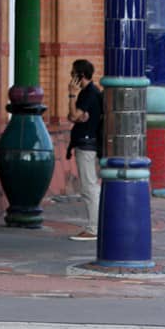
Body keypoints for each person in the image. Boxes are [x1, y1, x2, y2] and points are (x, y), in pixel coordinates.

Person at [65, 57, 103, 240]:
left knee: (89, 186)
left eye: (73, 74)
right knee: (90, 185)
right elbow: (74, 116)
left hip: (87, 144)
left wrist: (71, 95)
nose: (71, 79)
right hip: (86, 143)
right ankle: (96, 224)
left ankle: (94, 227)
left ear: (80, 75)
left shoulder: (88, 94)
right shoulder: (90, 93)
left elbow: (73, 115)